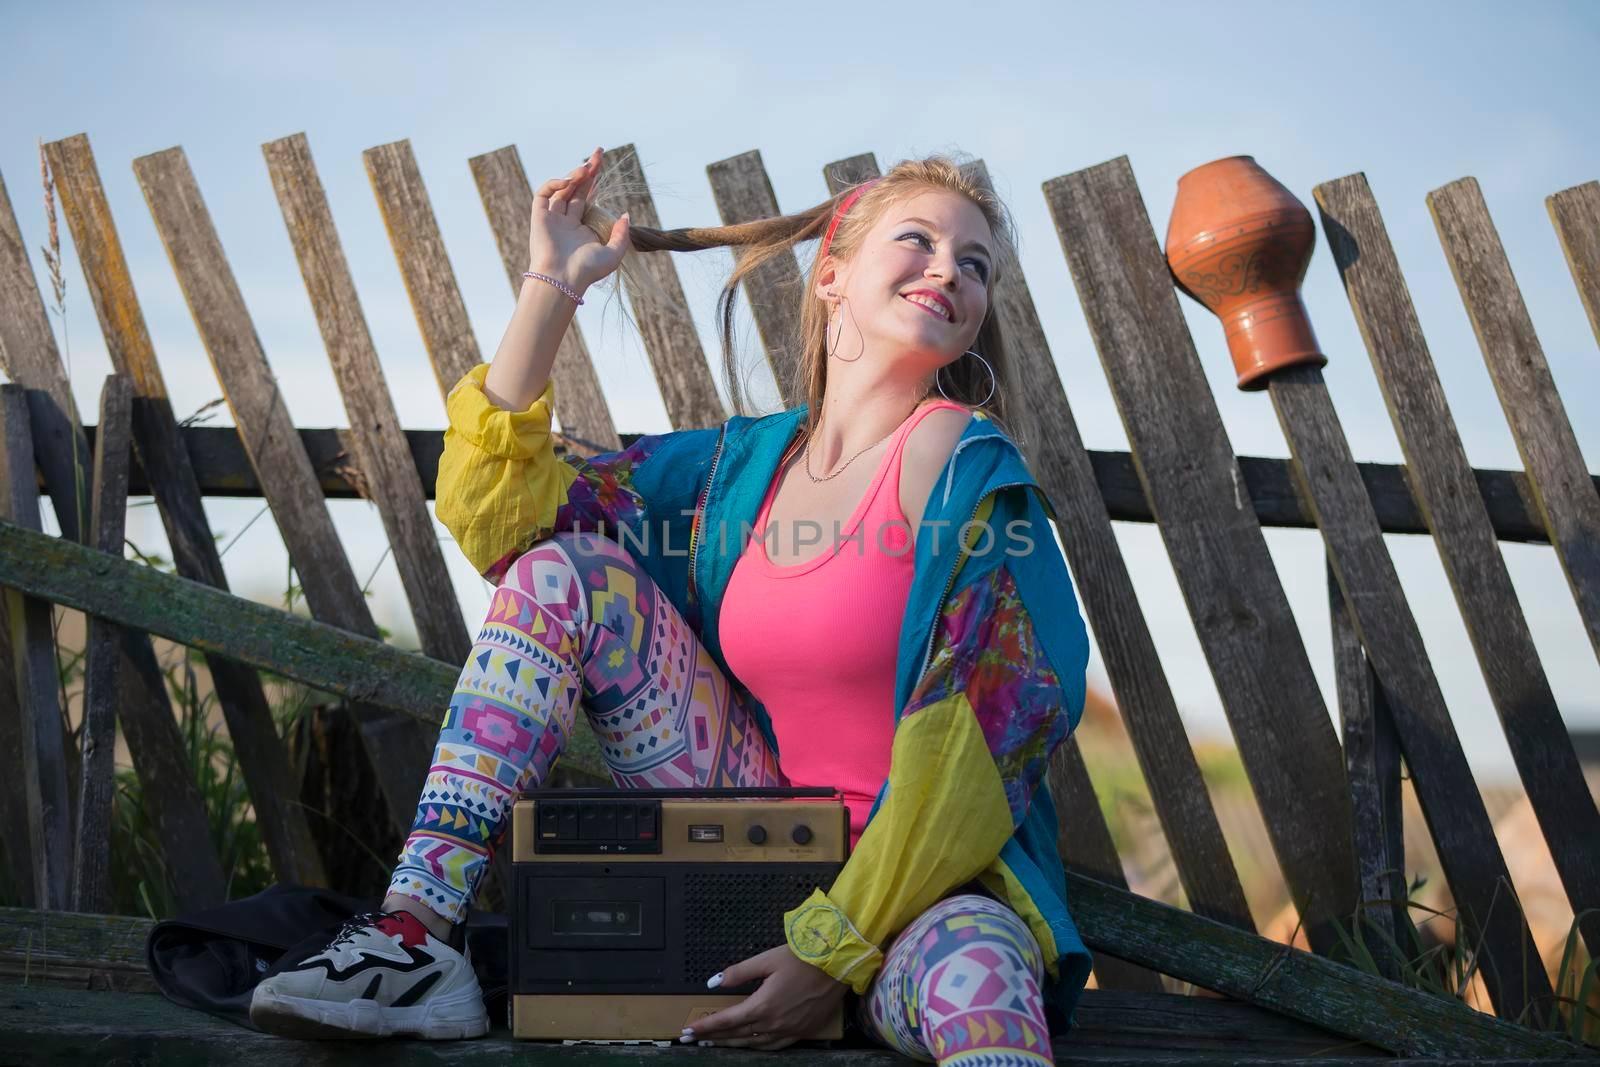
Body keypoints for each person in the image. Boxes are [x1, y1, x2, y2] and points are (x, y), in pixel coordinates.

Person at [250, 145, 1093, 1063]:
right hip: (749, 866)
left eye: (976, 265)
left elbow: (984, 740)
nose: (948, 270)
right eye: (920, 240)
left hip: (915, 902)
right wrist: (552, 284)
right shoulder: (737, 475)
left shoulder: (966, 468)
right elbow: (507, 516)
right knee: (565, 570)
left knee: (981, 973)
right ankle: (415, 937)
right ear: (833, 275)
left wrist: (834, 944)